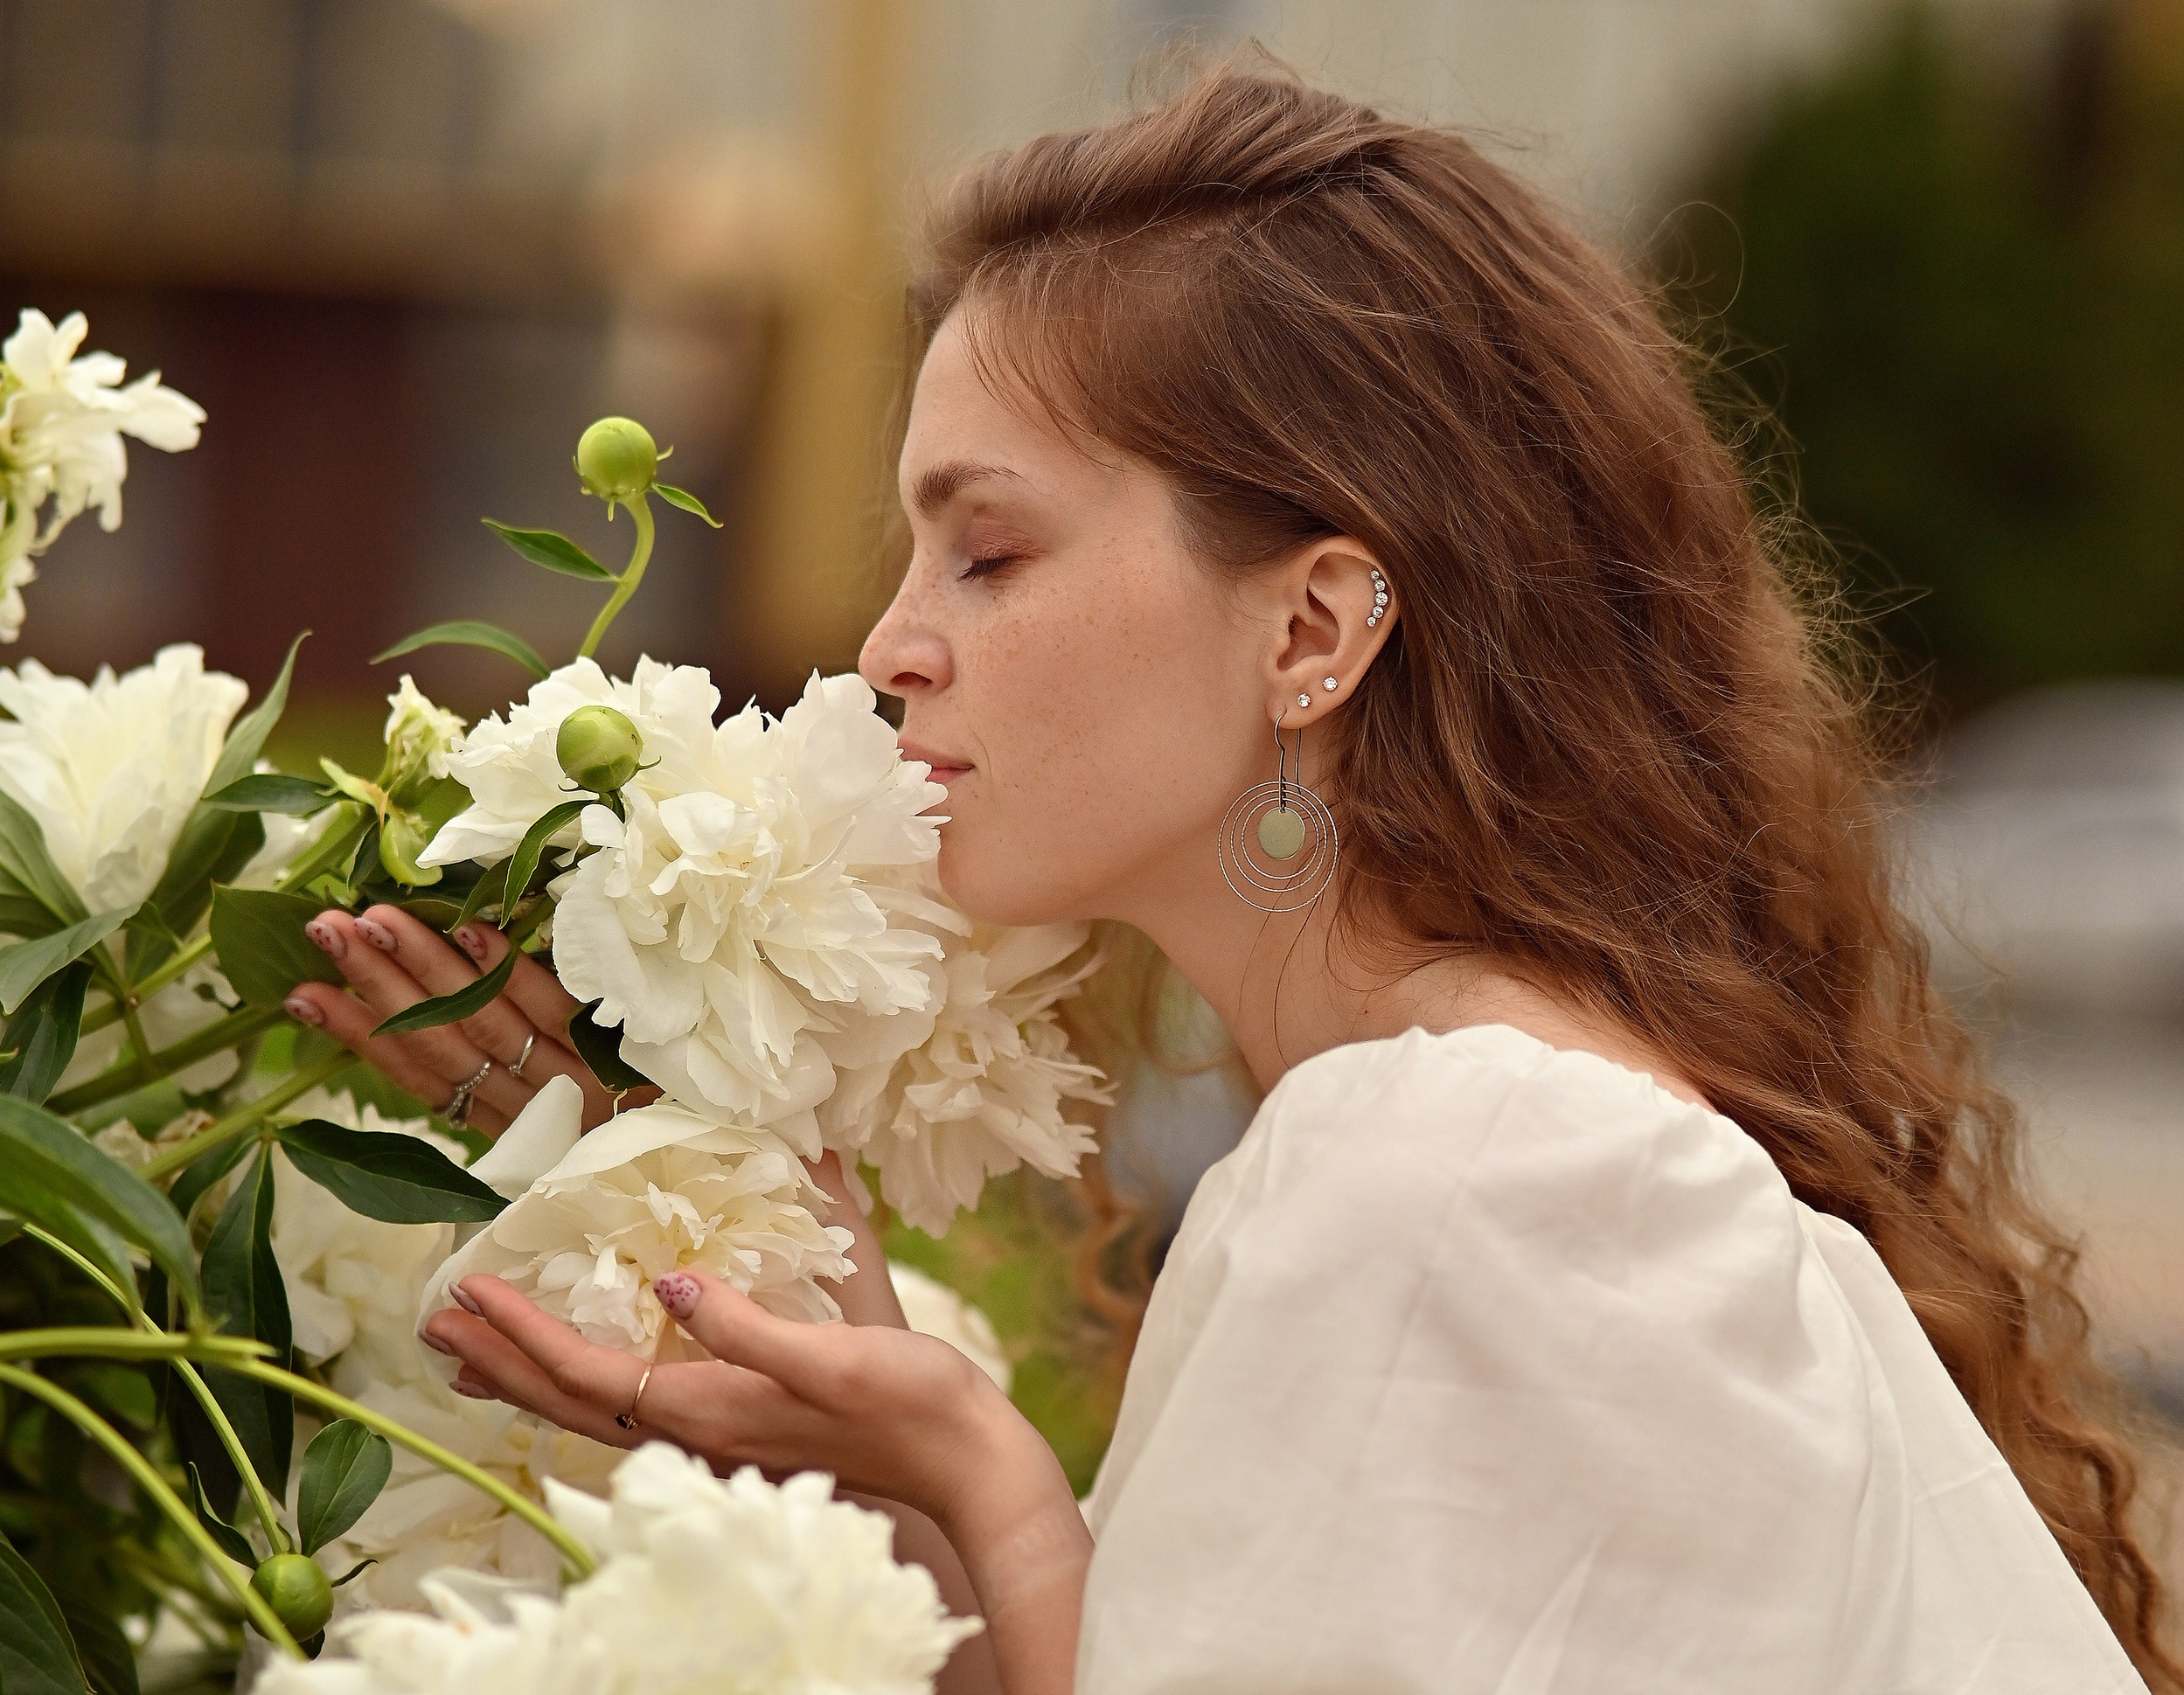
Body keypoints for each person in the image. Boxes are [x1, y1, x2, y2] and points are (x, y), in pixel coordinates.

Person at [287, 61, 2175, 1695]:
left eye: (987, 553)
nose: (882, 647)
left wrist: (987, 1469)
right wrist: (857, 1376)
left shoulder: (1463, 1166)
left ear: (1313, 629)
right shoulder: (1470, 1136)